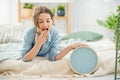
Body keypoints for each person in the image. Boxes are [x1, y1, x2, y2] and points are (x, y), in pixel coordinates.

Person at [21, 6, 87, 62]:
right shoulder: (29, 33)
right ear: (36, 23)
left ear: (52, 21)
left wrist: (71, 47)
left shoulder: (55, 34)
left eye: (48, 21)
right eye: (41, 22)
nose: (45, 25)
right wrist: (38, 44)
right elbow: (24, 58)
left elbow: (55, 57)